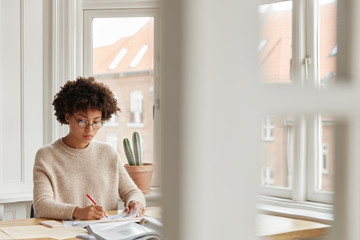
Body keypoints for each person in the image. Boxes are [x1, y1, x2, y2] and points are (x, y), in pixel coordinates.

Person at [33, 76, 146, 220]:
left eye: (96, 122)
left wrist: (134, 202)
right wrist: (77, 212)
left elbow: (132, 191)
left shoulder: (108, 153)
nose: (90, 129)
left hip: (105, 232)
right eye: (82, 121)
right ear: (67, 117)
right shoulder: (46, 156)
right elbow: (42, 205)